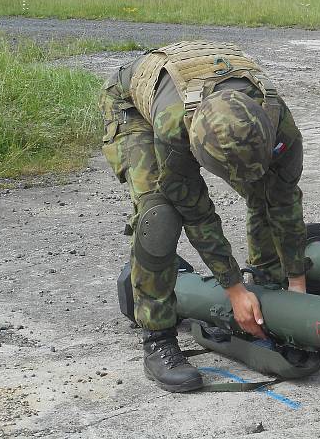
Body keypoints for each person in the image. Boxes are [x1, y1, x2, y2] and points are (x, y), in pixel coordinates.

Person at [99, 40, 308, 392]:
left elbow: (284, 202)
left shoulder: (278, 121)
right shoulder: (173, 127)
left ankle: (269, 285)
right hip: (134, 107)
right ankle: (157, 338)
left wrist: (296, 282)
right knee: (159, 214)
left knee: (267, 191)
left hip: (208, 93)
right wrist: (233, 288)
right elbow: (198, 215)